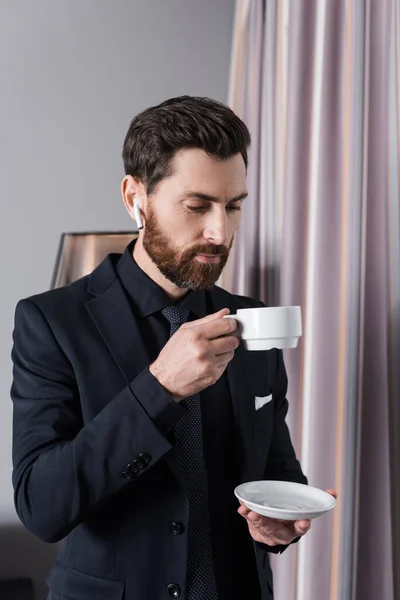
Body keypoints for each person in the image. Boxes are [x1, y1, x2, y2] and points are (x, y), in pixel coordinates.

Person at [10, 96, 335, 600]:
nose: (219, 231)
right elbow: (43, 507)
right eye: (197, 205)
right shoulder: (51, 322)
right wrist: (159, 388)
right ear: (135, 197)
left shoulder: (252, 320)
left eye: (233, 206)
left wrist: (276, 526)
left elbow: (275, 471)